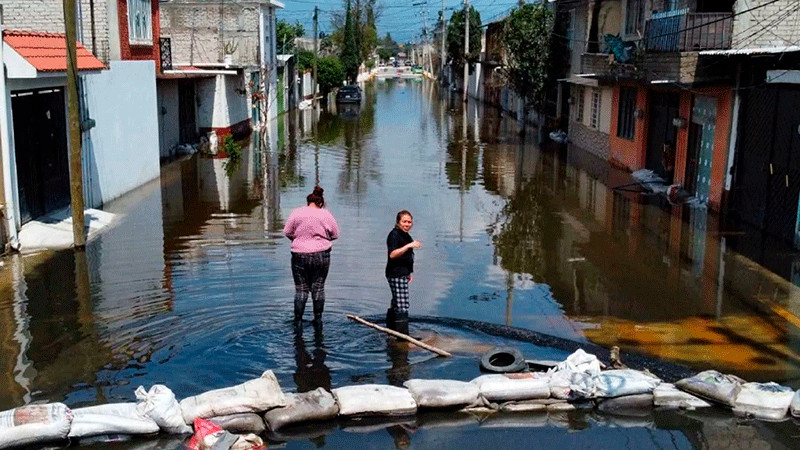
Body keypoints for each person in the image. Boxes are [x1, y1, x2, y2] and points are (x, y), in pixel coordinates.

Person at [284, 186, 340, 327]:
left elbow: (287, 232)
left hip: (299, 254)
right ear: (321, 203)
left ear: (308, 201)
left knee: (301, 289)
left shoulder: (297, 212)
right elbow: (335, 234)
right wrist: (322, 240)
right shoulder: (326, 214)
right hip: (321, 254)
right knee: (318, 287)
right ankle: (318, 319)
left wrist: (298, 240)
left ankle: (298, 320)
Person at [385, 210, 421, 335]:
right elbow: (393, 254)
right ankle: (402, 336)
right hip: (396, 273)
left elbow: (408, 257)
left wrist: (409, 273)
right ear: (398, 222)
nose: (407, 224)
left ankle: (391, 330)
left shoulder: (405, 235)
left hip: (403, 274)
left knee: (397, 303)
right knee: (402, 305)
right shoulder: (394, 235)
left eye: (409, 222)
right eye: (404, 221)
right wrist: (408, 245)